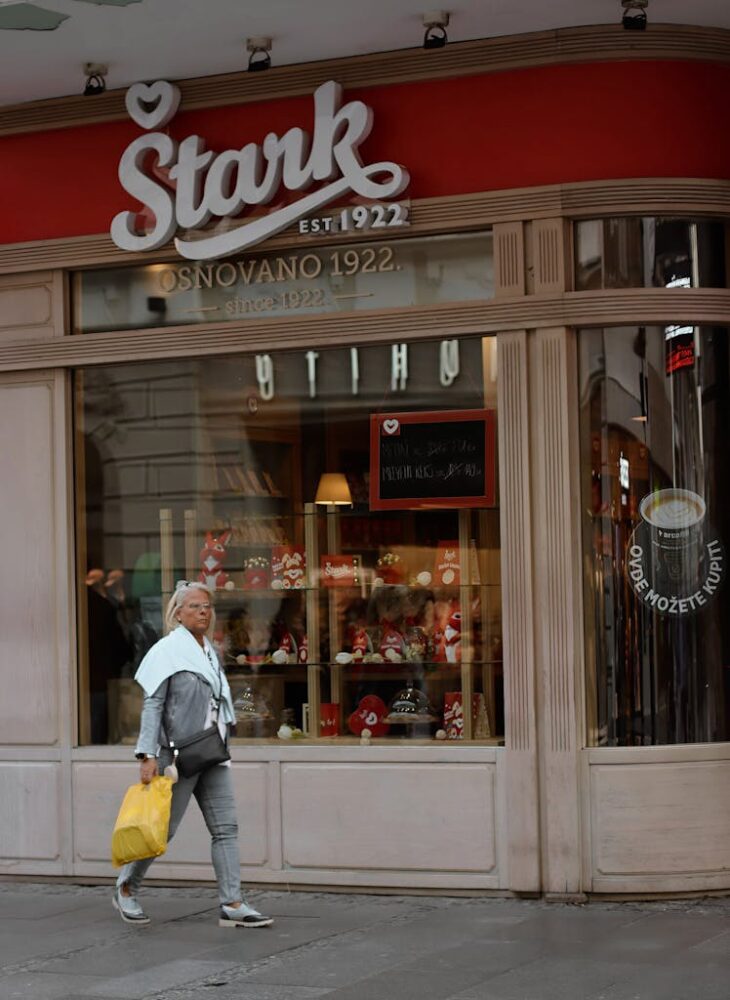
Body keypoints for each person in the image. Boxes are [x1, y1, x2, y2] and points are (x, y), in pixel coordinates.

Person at [113, 580, 273, 929]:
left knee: (226, 828)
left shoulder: (210, 653)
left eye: (207, 606)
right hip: (177, 757)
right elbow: (153, 705)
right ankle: (126, 887)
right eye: (195, 606)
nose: (204, 611)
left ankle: (232, 902)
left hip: (212, 751)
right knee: (162, 830)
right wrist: (147, 755)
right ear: (178, 613)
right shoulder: (166, 651)